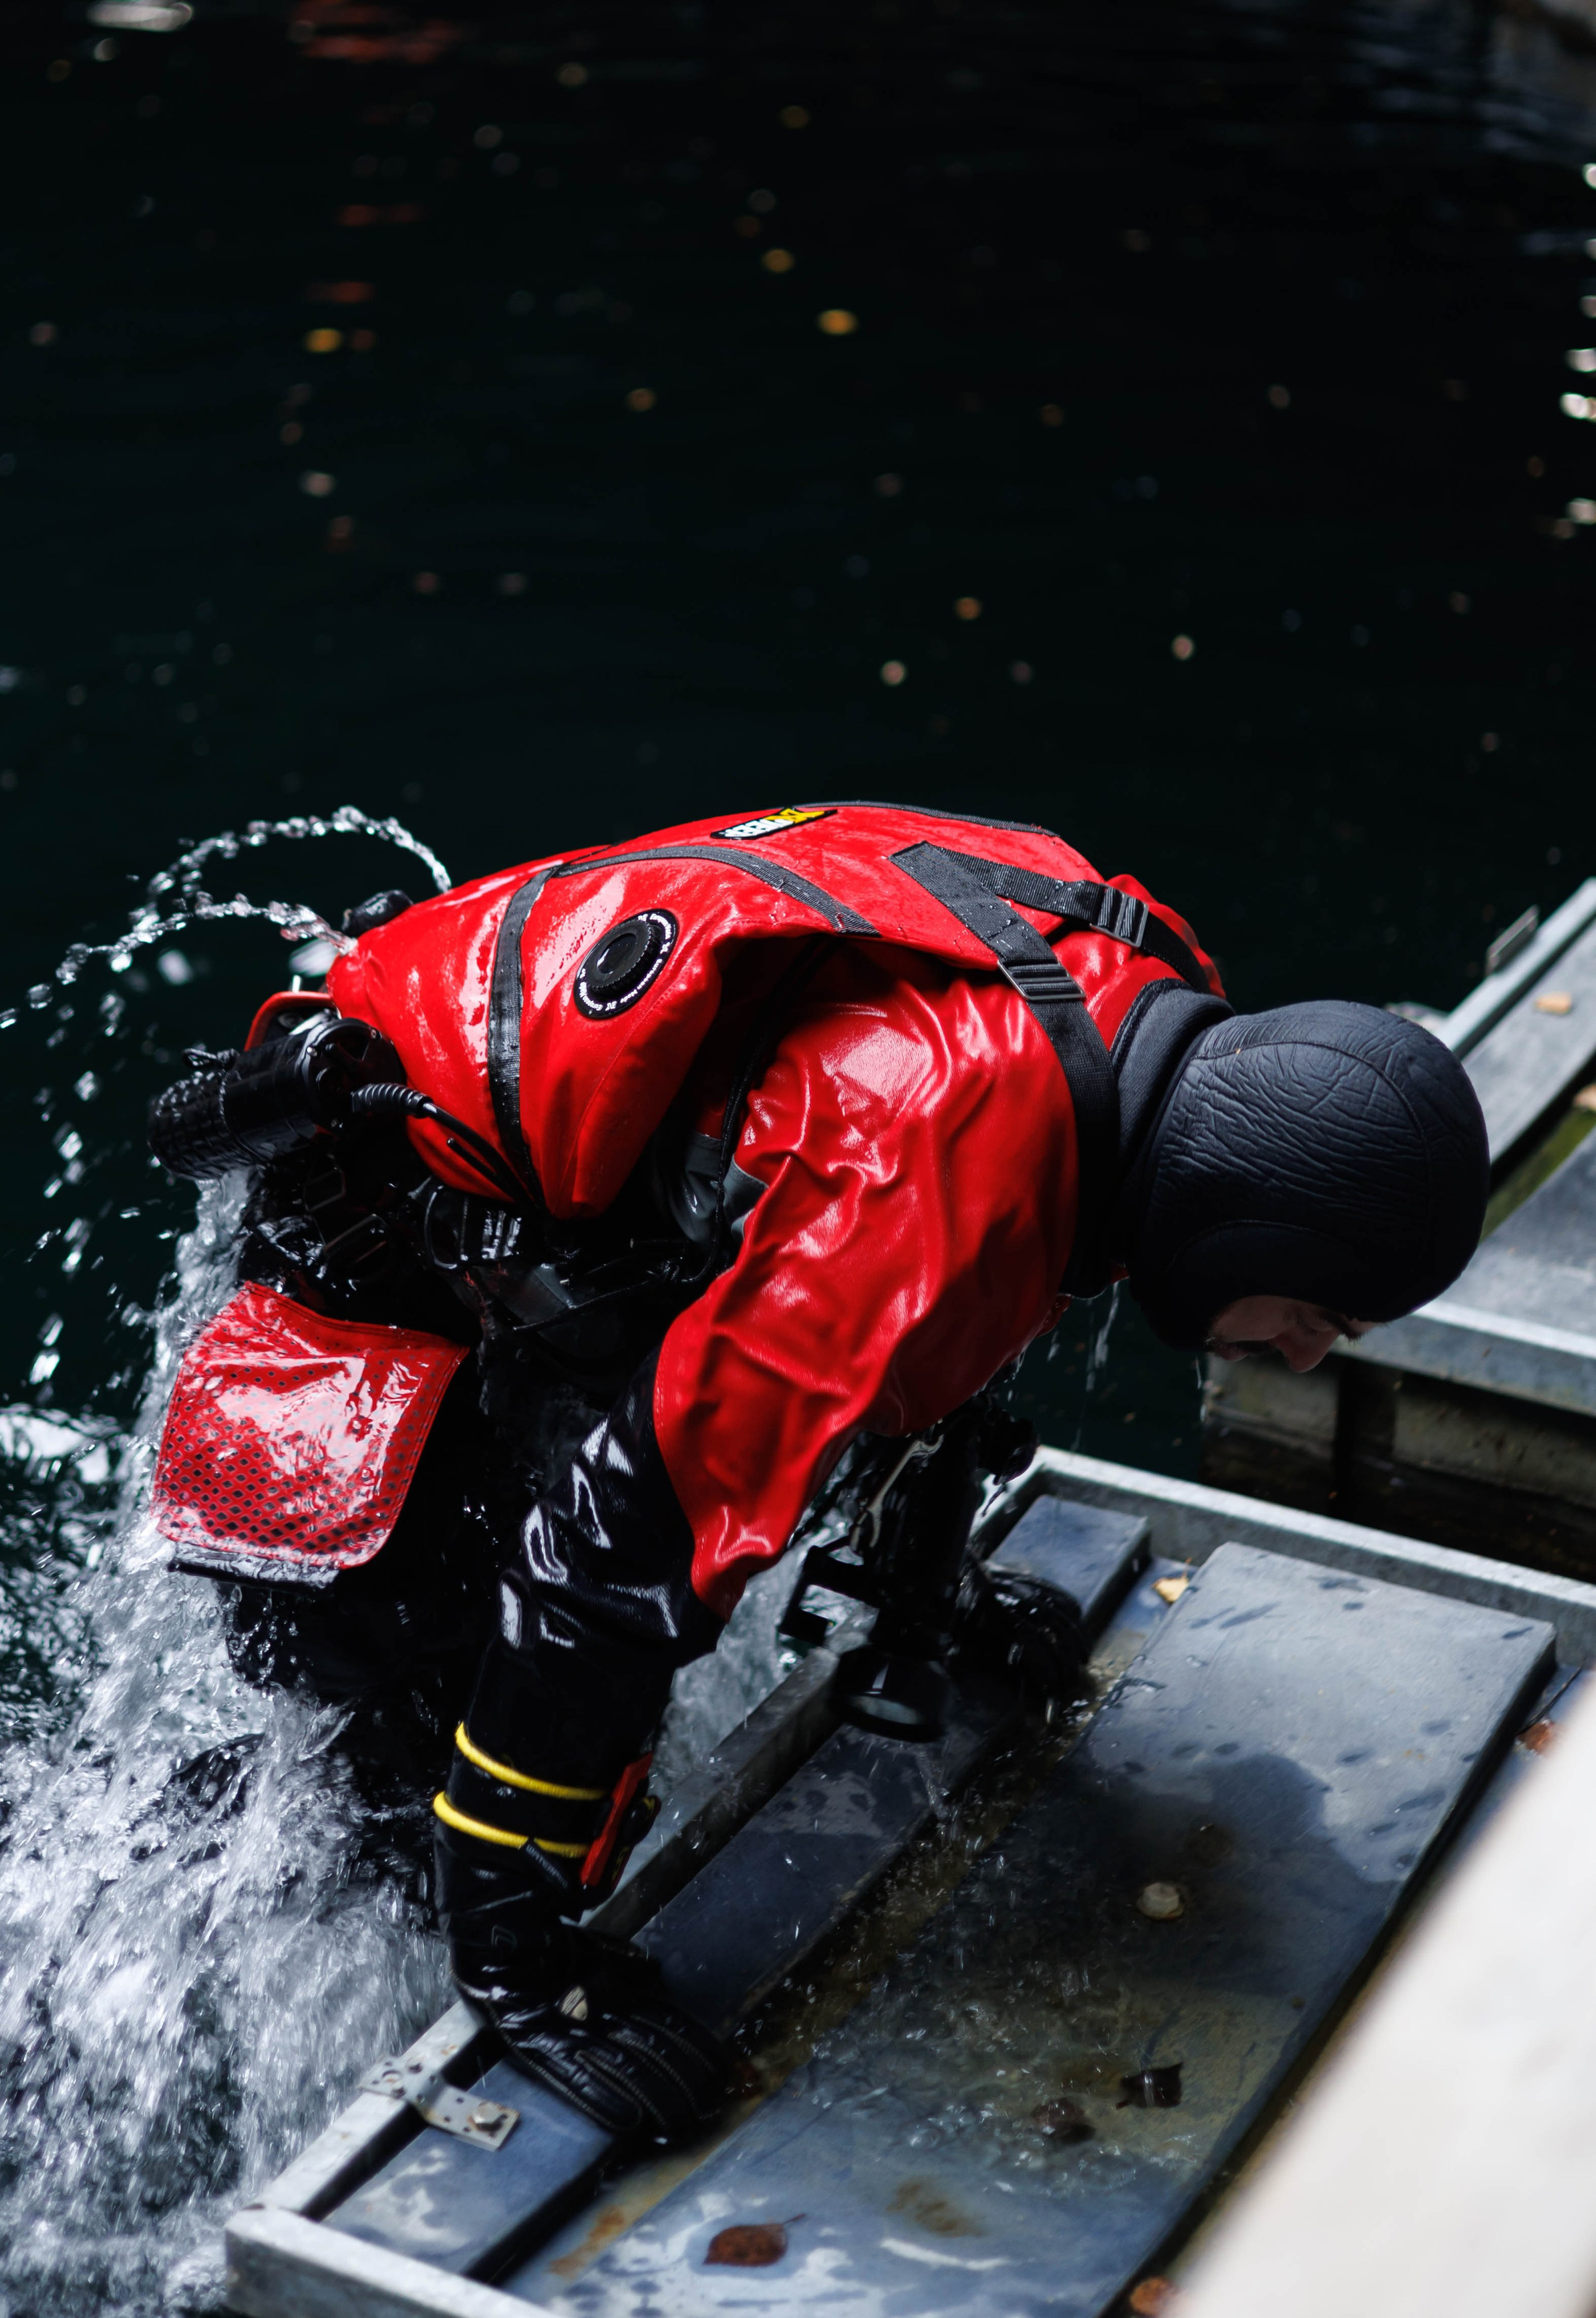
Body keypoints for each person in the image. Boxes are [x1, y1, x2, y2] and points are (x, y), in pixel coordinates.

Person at [145, 800, 1488, 2146]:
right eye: (1319, 1315)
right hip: (378, 1247)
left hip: (552, 1202)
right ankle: (155, 1923)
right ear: (1237, 1221)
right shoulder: (929, 1170)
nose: (1304, 1356)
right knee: (388, 1786)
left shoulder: (1138, 999)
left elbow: (939, 1325)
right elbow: (609, 1551)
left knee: (567, 1652)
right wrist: (521, 1959)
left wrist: (931, 1597)